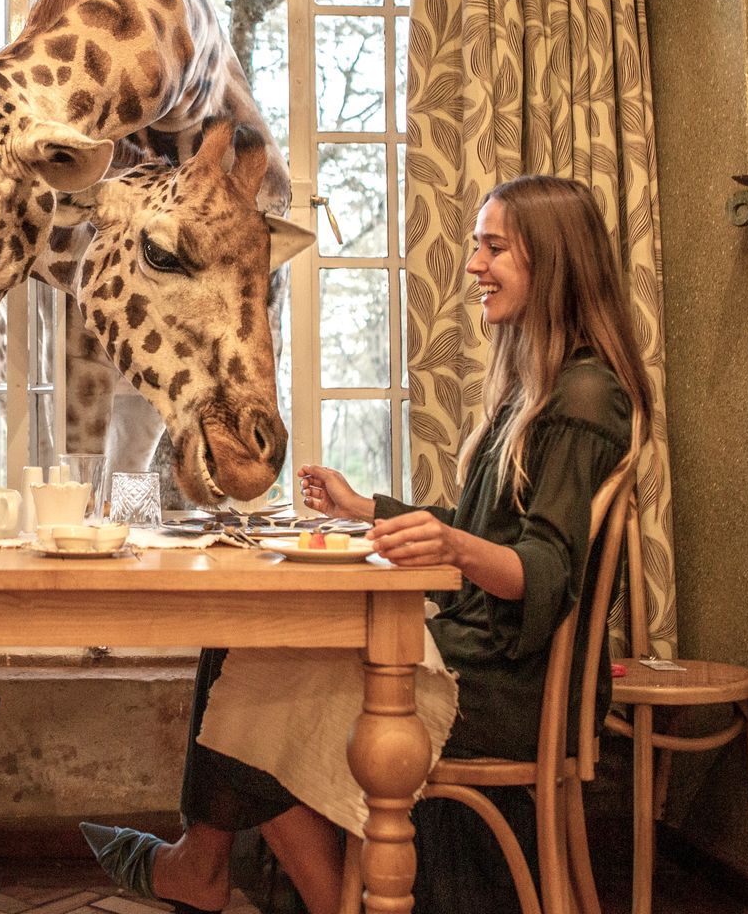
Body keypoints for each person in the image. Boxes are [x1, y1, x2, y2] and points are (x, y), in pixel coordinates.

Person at [82, 174, 652, 914]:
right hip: (485, 659)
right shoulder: (539, 388)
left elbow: (543, 572)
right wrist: (369, 508)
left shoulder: (582, 398)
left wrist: (451, 541)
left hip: (508, 688)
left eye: (495, 248)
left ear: (555, 262)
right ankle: (229, 870)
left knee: (247, 669)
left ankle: (232, 874)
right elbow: (495, 526)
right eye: (476, 246)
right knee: (247, 650)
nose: (474, 265)